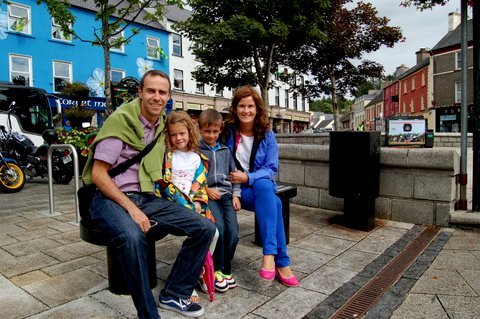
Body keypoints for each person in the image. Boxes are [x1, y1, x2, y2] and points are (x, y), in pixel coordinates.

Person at [81, 70, 216, 319]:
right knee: (133, 237)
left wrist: (194, 194)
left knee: (205, 227)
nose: (157, 97)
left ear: (168, 97)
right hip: (108, 197)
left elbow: (185, 144)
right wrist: (132, 209)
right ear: (140, 92)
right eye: (151, 91)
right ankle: (148, 314)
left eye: (162, 92)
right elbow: (99, 175)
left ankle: (175, 293)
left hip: (145, 196)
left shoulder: (162, 125)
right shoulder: (120, 121)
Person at [222, 85, 299, 287]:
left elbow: (271, 167)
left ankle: (269, 254)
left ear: (257, 109)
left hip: (255, 185)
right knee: (275, 203)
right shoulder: (227, 132)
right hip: (236, 191)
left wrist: (248, 177)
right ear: (235, 108)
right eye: (241, 106)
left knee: (265, 186)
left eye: (250, 106)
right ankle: (281, 262)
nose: (246, 111)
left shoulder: (267, 134)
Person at [153, 110, 219, 301]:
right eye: (173, 134)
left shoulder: (197, 157)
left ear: (190, 132)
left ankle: (196, 271)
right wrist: (185, 205)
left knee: (214, 233)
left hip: (195, 206)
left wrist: (198, 202)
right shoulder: (167, 156)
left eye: (182, 133)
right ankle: (185, 280)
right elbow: (163, 185)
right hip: (173, 206)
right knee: (200, 232)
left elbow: (201, 184)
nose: (178, 138)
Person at [198, 109, 241, 293]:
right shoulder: (196, 150)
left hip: (226, 195)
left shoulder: (225, 150)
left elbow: (234, 175)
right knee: (220, 230)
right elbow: (193, 177)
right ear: (200, 130)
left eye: (215, 131)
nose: (211, 135)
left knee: (233, 233)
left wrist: (236, 194)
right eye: (207, 131)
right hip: (209, 196)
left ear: (220, 131)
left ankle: (226, 269)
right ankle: (215, 270)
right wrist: (205, 190)